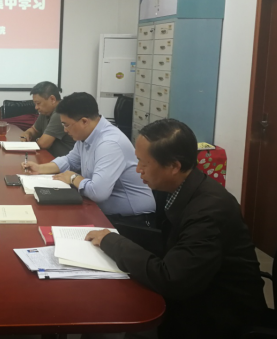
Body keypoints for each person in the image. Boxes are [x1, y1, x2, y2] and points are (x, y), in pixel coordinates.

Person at [86, 119, 267, 339]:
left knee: (115, 318)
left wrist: (113, 242)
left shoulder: (209, 210)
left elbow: (172, 280)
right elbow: (165, 240)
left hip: (220, 315)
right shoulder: (177, 187)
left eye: (143, 162)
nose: (138, 169)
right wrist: (112, 233)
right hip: (195, 291)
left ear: (174, 166)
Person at [22, 92, 155, 225]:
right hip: (101, 211)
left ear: (84, 121)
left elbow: (98, 192)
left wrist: (73, 178)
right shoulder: (86, 135)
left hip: (130, 221)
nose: (65, 130)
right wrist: (40, 168)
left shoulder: (109, 143)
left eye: (66, 125)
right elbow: (70, 160)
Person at [20, 81, 75, 157]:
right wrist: (27, 134)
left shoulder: (61, 113)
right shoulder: (46, 112)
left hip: (65, 161)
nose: (36, 107)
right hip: (51, 157)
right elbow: (34, 130)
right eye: (35, 104)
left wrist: (36, 139)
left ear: (52, 99)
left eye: (38, 103)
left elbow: (43, 144)